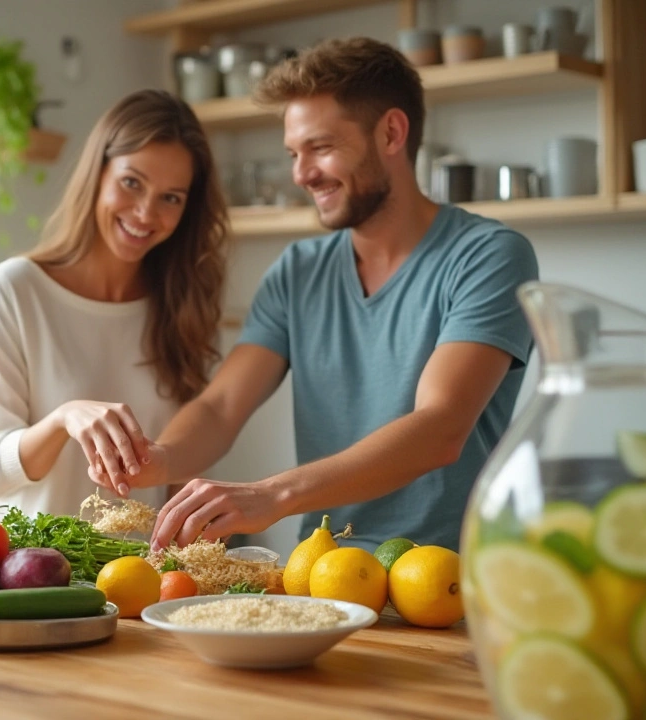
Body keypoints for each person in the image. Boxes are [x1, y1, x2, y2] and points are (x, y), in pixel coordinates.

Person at [94, 38, 540, 552]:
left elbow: (439, 428)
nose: (301, 174)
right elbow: (220, 408)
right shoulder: (298, 272)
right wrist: (163, 458)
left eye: (321, 148)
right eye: (293, 153)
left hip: (446, 582)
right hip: (321, 579)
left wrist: (272, 494)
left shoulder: (488, 256)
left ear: (392, 133)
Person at [0, 89, 230, 518]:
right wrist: (63, 419)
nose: (145, 212)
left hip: (139, 578)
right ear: (98, 174)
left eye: (171, 198)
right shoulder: (14, 291)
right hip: (29, 576)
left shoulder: (186, 305)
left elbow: (183, 470)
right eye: (132, 182)